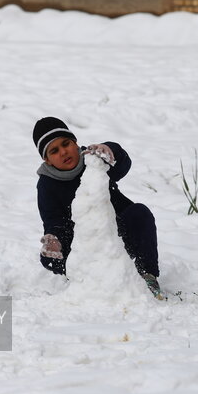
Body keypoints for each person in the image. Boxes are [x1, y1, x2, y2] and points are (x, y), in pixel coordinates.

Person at [33, 116, 162, 297]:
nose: (63, 152)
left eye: (66, 143)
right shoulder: (47, 185)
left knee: (140, 213)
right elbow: (54, 220)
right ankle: (87, 278)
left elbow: (122, 165)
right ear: (47, 160)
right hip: (83, 244)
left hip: (115, 231)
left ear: (75, 142)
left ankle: (147, 275)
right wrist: (54, 239)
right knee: (48, 257)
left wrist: (111, 151)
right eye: (54, 151)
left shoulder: (92, 158)